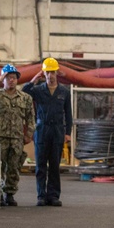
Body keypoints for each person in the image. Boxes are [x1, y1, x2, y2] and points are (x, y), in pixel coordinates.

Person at [0, 64, 35, 207]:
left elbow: (31, 118)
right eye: (8, 78)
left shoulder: (25, 98)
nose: (11, 80)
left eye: (13, 78)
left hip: (17, 138)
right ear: (3, 79)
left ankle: (10, 194)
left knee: (14, 167)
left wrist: (29, 134)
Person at [24, 57, 72, 206]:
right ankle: (41, 196)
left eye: (52, 72)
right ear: (43, 73)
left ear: (56, 72)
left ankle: (53, 196)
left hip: (57, 130)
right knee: (41, 165)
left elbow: (68, 114)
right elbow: (25, 92)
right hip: (42, 129)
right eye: (47, 72)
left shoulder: (64, 92)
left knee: (54, 165)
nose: (50, 75)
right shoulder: (38, 91)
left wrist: (68, 132)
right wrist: (34, 79)